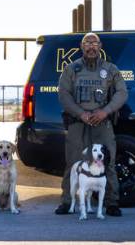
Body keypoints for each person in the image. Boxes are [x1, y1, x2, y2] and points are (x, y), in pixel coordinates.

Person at [53, 32, 127, 217]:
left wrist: (105, 111)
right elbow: (63, 94)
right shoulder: (71, 69)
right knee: (73, 164)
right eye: (88, 43)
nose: (91, 46)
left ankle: (112, 202)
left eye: (95, 43)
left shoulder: (110, 69)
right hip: (78, 123)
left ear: (100, 46)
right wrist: (81, 113)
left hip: (103, 123)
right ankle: (67, 202)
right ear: (81, 46)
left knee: (107, 163)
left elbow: (122, 93)